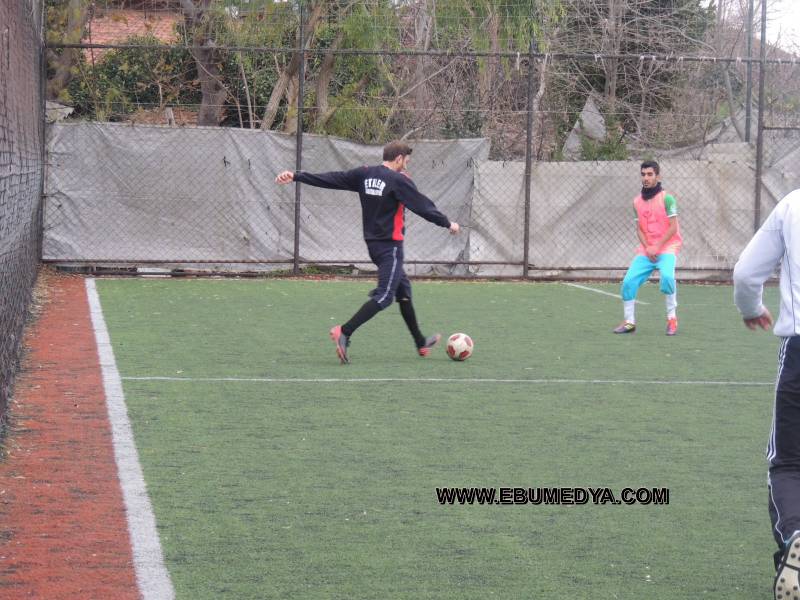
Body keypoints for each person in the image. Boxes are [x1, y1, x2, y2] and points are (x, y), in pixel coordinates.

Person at [275, 141, 460, 364]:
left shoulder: (364, 174)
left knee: (403, 292)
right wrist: (448, 223)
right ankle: (344, 331)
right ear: (398, 158)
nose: (406, 165)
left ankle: (420, 342)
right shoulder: (398, 180)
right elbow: (423, 206)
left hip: (374, 246)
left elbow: (332, 178)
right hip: (391, 248)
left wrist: (297, 176)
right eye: (406, 161)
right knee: (384, 296)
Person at [733, 188, 800, 599]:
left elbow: (745, 273)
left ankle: (795, 535)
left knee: (789, 464)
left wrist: (751, 308)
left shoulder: (792, 205)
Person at [613, 160, 682, 335]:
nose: (646, 178)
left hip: (667, 248)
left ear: (657, 176)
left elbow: (673, 228)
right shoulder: (636, 202)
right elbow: (639, 229)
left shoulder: (667, 199)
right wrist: (648, 247)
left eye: (650, 174)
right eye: (643, 174)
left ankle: (672, 319)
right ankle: (629, 322)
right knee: (628, 282)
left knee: (667, 278)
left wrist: (657, 246)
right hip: (647, 250)